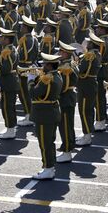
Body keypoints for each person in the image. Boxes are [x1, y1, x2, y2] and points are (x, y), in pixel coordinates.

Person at [29, 52, 63, 180]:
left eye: (44, 64)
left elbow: (34, 93)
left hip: (44, 114)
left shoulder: (47, 79)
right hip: (51, 112)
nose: (43, 66)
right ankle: (50, 167)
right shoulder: (56, 75)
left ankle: (48, 168)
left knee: (44, 143)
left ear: (49, 65)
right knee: (49, 142)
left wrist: (31, 81)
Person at [56, 41, 79, 163]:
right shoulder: (69, 64)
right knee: (68, 125)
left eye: (61, 51)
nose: (59, 53)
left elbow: (63, 86)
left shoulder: (66, 67)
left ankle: (67, 151)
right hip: (69, 97)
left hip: (65, 98)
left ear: (65, 53)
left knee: (65, 126)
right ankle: (69, 146)